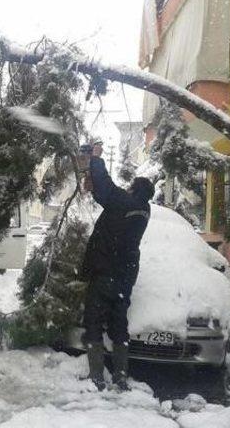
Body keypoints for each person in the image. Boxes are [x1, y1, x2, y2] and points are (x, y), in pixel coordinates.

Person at [80, 144, 155, 392]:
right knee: (118, 325)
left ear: (133, 190)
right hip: (125, 275)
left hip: (106, 272)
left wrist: (95, 160)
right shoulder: (143, 210)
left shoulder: (124, 203)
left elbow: (105, 188)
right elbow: (108, 197)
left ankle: (96, 377)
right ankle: (121, 378)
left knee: (93, 322)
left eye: (130, 186)